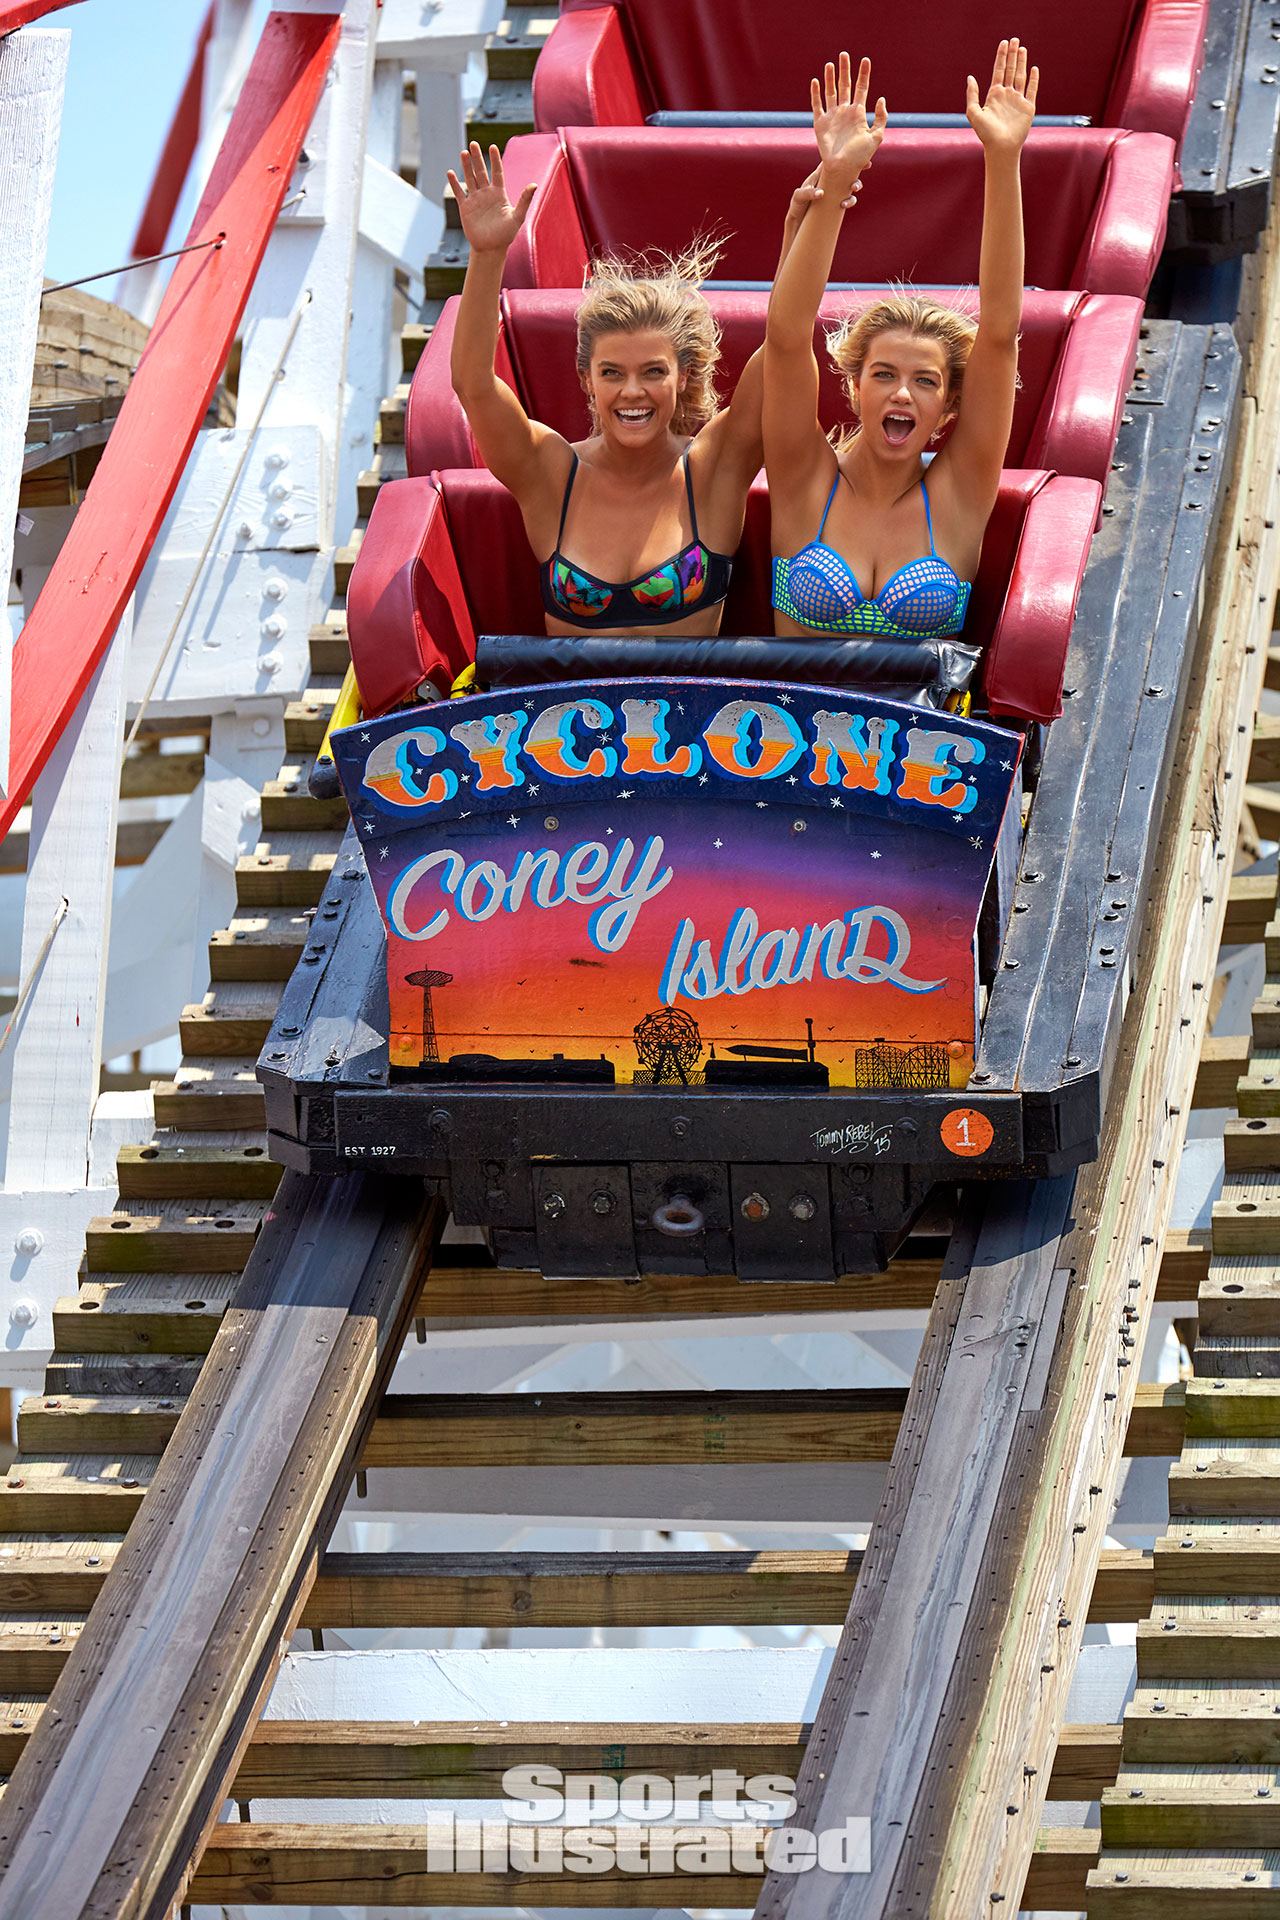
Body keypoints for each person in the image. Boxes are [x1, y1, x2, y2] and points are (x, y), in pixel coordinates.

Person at [446, 143, 822, 637]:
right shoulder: (550, 473)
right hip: (569, 693)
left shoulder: (714, 467)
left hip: (692, 692)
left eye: (652, 372)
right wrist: (487, 254)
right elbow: (473, 384)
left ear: (682, 376)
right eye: (611, 373)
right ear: (587, 379)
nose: (632, 392)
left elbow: (785, 345)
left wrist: (801, 231)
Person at [766, 43, 1037, 642]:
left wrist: (1003, 158)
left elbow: (999, 333)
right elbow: (785, 338)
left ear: (950, 403)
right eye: (884, 374)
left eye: (925, 381)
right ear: (854, 386)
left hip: (927, 708)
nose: (902, 394)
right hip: (794, 707)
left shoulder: (960, 490)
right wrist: (837, 180)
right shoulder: (803, 476)